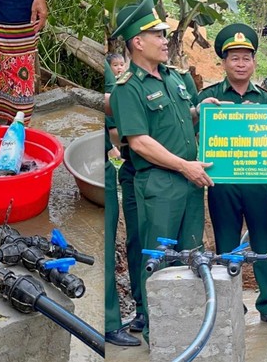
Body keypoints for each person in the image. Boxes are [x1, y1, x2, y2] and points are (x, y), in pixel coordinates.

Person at [108, 0, 212, 344]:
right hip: (162, 185)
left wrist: (202, 110)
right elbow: (139, 143)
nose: (165, 40)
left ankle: (188, 329)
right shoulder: (129, 88)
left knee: (191, 258)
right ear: (138, 42)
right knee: (160, 261)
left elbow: (177, 121)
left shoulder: (173, 78)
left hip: (191, 183)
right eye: (158, 34)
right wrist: (185, 166)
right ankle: (161, 335)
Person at [197, 23, 267, 327]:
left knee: (264, 242)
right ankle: (231, 302)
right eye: (234, 58)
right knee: (226, 244)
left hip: (257, 182)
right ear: (223, 62)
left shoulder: (266, 101)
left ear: (254, 63)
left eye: (246, 58)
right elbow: (192, 134)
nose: (241, 63)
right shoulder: (208, 98)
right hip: (222, 182)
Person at [104, 56, 141, 348]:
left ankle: (144, 314)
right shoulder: (126, 84)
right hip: (129, 166)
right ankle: (111, 322)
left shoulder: (174, 81)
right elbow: (114, 123)